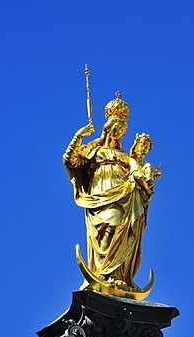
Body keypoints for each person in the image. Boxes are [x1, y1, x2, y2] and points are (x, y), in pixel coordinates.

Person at [63, 94, 148, 290]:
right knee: (110, 223)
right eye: (117, 126)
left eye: (124, 128)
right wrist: (80, 135)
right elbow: (69, 160)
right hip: (101, 193)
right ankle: (102, 271)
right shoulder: (94, 151)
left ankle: (119, 276)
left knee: (127, 227)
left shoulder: (126, 157)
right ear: (108, 128)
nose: (120, 131)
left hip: (125, 194)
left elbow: (140, 176)